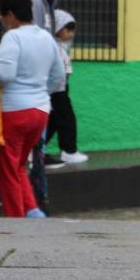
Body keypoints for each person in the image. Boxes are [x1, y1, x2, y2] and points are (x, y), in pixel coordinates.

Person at [0, 0, 65, 218]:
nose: (1, 20)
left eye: (2, 15)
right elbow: (58, 76)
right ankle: (33, 213)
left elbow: (5, 74)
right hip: (40, 112)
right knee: (19, 165)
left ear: (11, 14)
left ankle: (15, 224)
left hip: (13, 113)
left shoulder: (13, 37)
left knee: (7, 172)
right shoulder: (46, 37)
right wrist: (38, 93)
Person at [27, 0, 64, 212]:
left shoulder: (49, 8)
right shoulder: (35, 3)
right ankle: (35, 201)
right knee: (34, 148)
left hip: (43, 86)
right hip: (36, 86)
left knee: (39, 145)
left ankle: (38, 200)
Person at [44, 10, 87, 167]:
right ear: (56, 28)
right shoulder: (54, 47)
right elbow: (59, 72)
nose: (71, 34)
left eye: (72, 30)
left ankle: (37, 148)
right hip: (56, 92)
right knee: (67, 119)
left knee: (54, 121)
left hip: (58, 90)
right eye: (68, 30)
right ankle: (69, 151)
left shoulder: (59, 46)